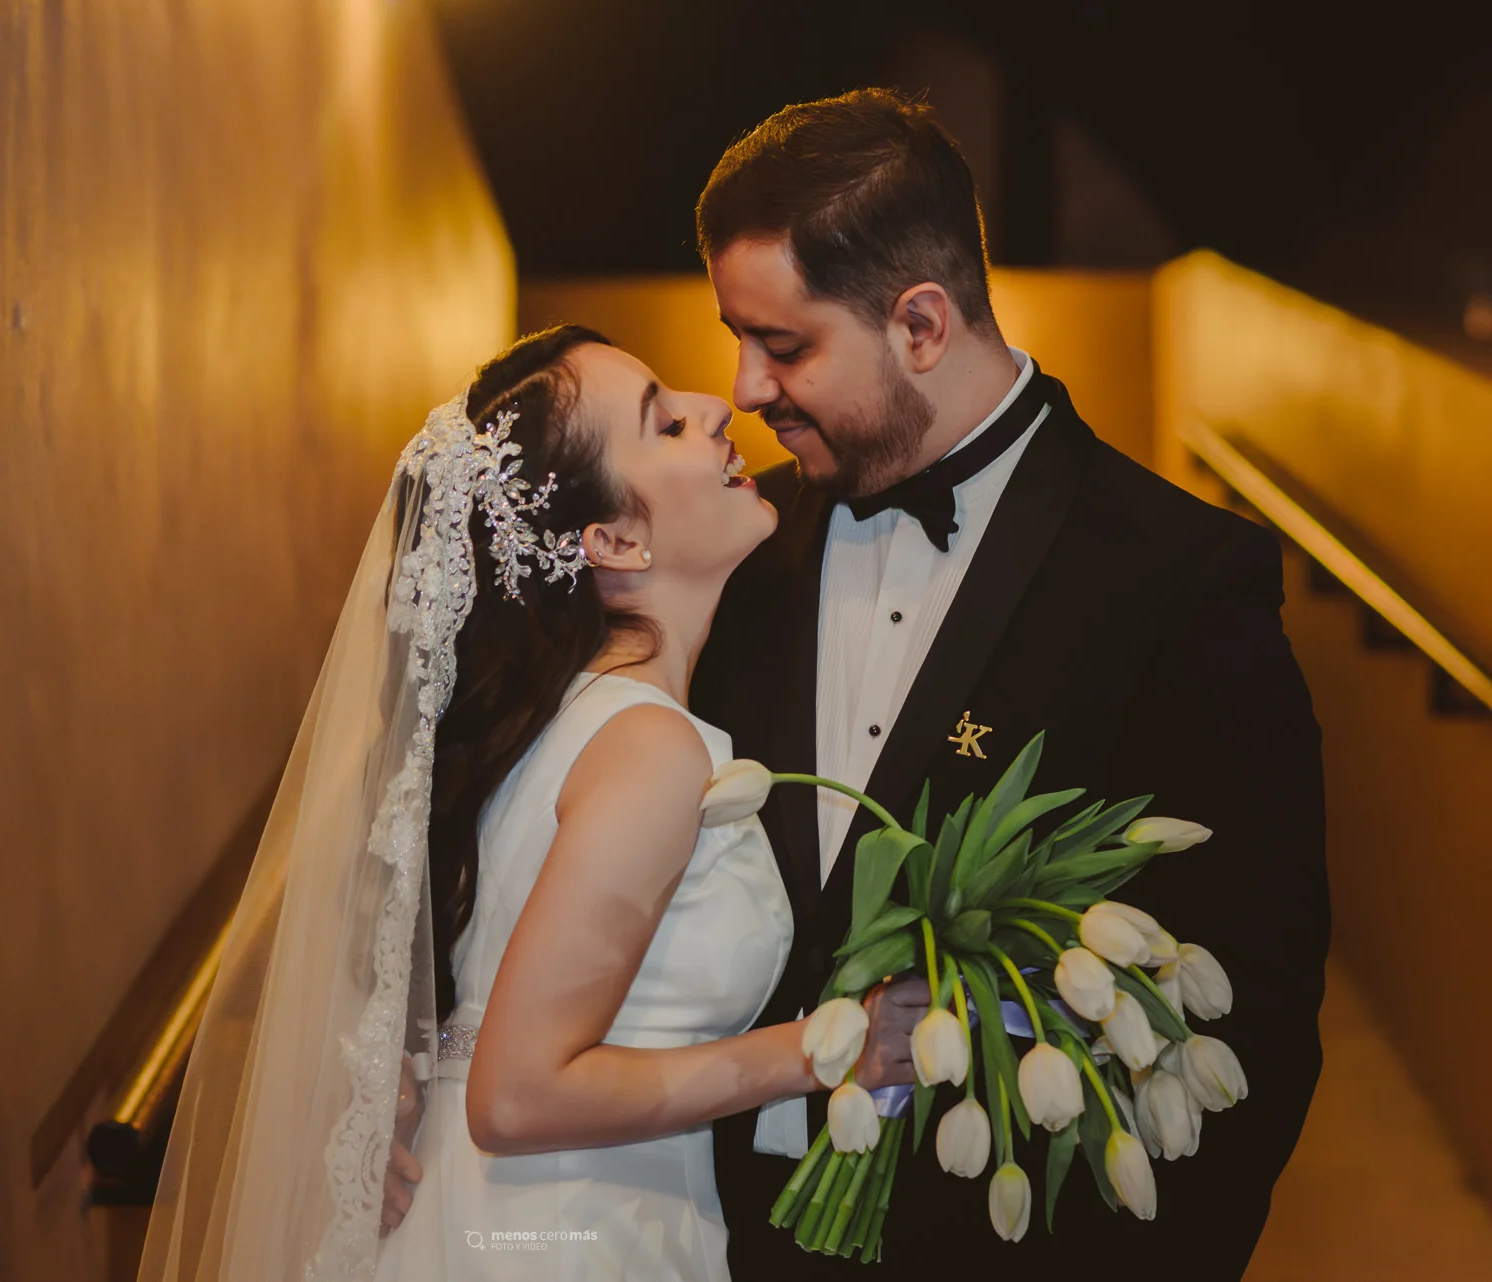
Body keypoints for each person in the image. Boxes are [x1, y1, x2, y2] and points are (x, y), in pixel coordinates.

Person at [687, 90, 1330, 1278]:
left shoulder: (1178, 575)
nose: (744, 389)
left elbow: (1261, 992)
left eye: (784, 345)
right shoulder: (737, 555)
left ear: (922, 323)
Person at [141, 325, 896, 1281]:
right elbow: (520, 1097)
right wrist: (831, 1049)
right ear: (613, 539)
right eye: (664, 424)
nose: (718, 409)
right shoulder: (644, 747)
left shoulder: (555, 734)